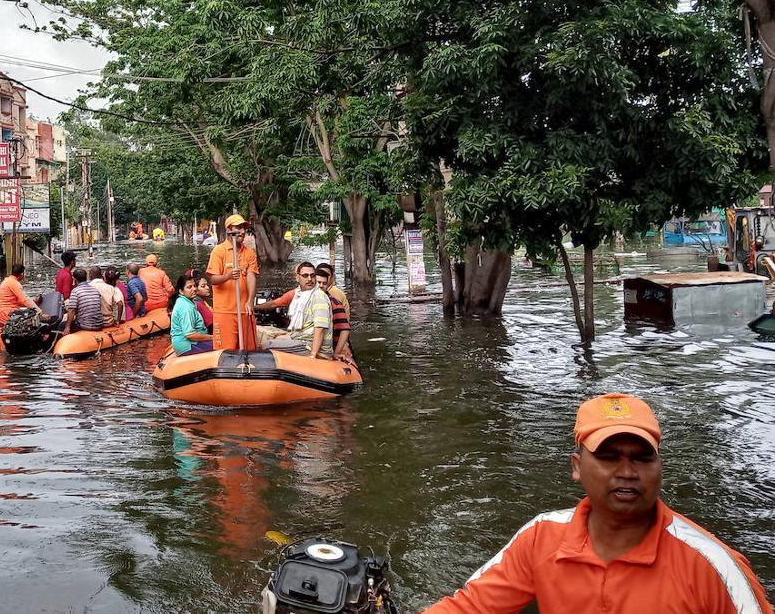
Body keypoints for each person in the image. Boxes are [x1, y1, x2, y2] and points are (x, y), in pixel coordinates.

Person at [424, 393, 774, 614]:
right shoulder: (541, 538)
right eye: (608, 457)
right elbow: (469, 607)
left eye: (641, 458)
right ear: (577, 467)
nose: (627, 472)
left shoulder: (712, 564)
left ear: (659, 468)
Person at [254, 261, 332, 358]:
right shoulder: (300, 294)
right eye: (305, 276)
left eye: (312, 276)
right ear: (297, 278)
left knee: (266, 345)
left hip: (311, 346)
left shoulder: (319, 297)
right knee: (275, 337)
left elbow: (320, 328)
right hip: (303, 339)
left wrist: (313, 354)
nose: (309, 279)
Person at [206, 214, 260, 351]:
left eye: (243, 227)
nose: (242, 231)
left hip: (245, 311)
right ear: (229, 230)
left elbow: (251, 276)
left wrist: (250, 300)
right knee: (225, 352)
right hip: (225, 312)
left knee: (250, 351)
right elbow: (212, 279)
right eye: (238, 227)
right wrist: (228, 276)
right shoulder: (219, 251)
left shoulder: (249, 253)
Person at [313, 263, 350, 359]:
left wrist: (337, 351)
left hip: (331, 341)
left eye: (326, 275)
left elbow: (344, 328)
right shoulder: (311, 296)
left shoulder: (335, 298)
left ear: (331, 278)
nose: (321, 285)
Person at [169, 274, 213, 355]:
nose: (194, 289)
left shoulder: (187, 302)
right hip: (188, 345)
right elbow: (190, 335)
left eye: (194, 286)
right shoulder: (185, 307)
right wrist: (212, 337)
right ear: (181, 291)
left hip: (190, 343)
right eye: (189, 287)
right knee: (222, 344)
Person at [63, 267, 103, 333]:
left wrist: (67, 327)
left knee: (61, 325)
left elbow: (72, 311)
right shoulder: (95, 290)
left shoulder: (75, 291)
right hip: (99, 324)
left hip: (85, 325)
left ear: (75, 279)